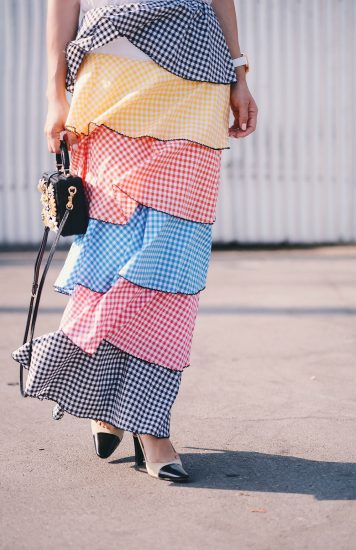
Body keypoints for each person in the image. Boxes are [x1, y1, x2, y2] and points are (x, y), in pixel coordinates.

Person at [12, 0, 258, 482]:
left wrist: (239, 74)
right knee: (109, 253)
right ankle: (112, 402)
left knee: (172, 259)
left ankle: (146, 420)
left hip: (198, 84)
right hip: (108, 87)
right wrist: (54, 95)